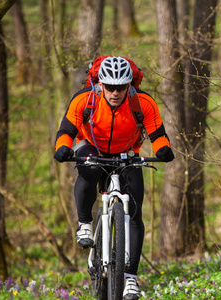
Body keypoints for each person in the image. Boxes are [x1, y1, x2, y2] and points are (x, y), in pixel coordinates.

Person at [53, 56, 174, 300]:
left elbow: (157, 132)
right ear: (100, 84)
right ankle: (85, 223)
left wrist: (163, 149)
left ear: (129, 85)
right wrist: (63, 148)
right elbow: (66, 131)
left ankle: (130, 277)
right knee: (87, 169)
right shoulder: (84, 99)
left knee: (135, 212)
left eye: (121, 87)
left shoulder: (143, 102)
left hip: (128, 154)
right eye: (110, 87)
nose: (115, 92)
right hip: (93, 148)